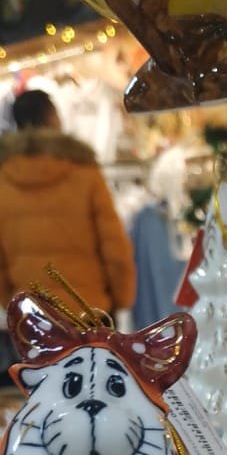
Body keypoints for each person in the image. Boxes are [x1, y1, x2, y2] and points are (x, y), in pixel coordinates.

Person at [0, 89, 135, 316]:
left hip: (32, 316)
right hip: (89, 309)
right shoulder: (83, 170)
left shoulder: (4, 178)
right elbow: (113, 244)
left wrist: (10, 303)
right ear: (52, 117)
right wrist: (122, 297)